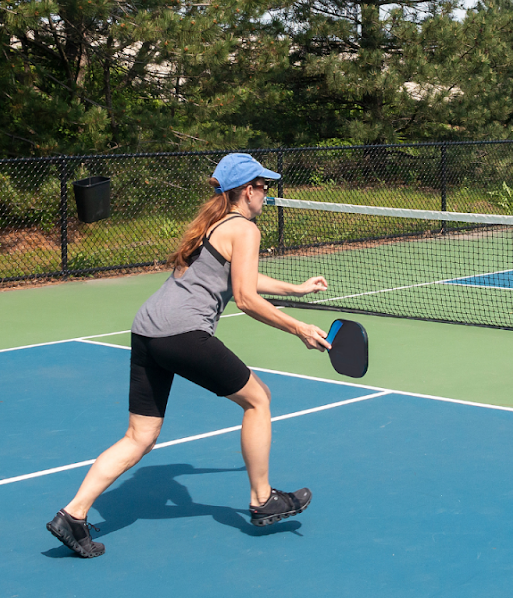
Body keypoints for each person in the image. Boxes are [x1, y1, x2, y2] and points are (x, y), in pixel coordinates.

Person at [47, 153, 332, 558]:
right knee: (259, 399)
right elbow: (247, 298)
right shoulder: (244, 229)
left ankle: (72, 516)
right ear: (247, 190)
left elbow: (241, 278)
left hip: (147, 331)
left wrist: (296, 289)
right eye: (264, 187)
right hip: (182, 332)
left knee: (139, 435)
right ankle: (263, 499)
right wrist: (299, 327)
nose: (267, 194)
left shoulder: (213, 224)